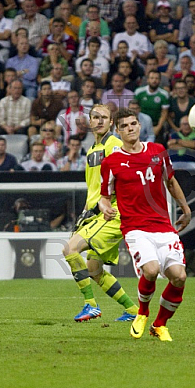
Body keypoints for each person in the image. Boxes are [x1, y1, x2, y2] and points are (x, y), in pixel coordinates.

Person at [99, 108, 192, 341]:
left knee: (179, 276)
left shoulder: (158, 151)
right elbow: (103, 196)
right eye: (125, 126)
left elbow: (170, 182)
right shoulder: (111, 162)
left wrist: (186, 209)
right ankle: (142, 313)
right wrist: (105, 208)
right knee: (150, 270)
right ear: (117, 131)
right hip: (135, 228)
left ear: (140, 126)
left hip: (163, 226)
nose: (130, 128)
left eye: (134, 124)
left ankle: (159, 325)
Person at [61, 104, 140, 322]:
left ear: (111, 122)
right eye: (95, 117)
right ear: (90, 121)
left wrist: (98, 207)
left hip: (111, 213)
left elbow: (120, 178)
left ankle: (90, 305)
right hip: (96, 213)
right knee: (94, 269)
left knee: (70, 249)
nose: (99, 121)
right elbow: (93, 188)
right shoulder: (92, 150)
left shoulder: (114, 144)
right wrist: (85, 212)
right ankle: (133, 310)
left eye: (104, 117)